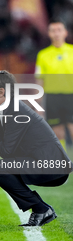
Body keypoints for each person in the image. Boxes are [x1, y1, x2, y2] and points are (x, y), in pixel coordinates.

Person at [0, 70, 72, 226]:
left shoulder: (16, 111)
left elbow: (6, 151)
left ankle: (41, 209)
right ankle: (41, 209)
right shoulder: (9, 108)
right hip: (46, 164)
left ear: (1, 92)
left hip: (52, 168)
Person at [35, 18, 73, 150]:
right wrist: (37, 104)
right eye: (53, 30)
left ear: (65, 33)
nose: (56, 33)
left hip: (71, 96)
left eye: (59, 30)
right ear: (49, 33)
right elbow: (40, 79)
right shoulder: (43, 55)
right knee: (57, 132)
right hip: (52, 97)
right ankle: (62, 162)